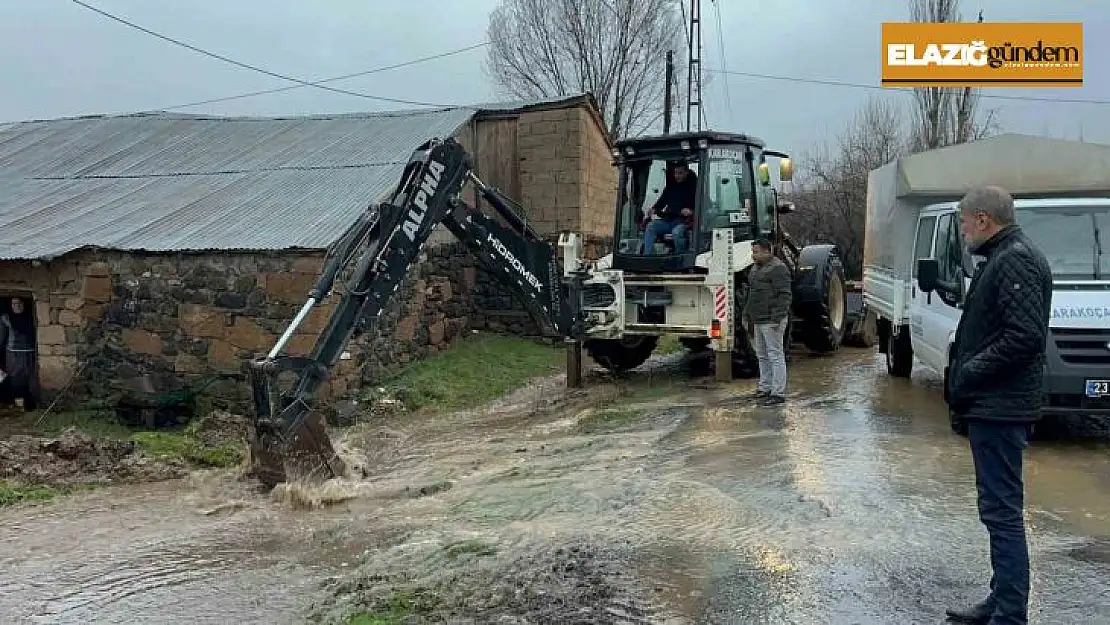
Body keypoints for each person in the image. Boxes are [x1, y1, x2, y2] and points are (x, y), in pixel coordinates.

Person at [944, 186, 1052, 625]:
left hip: (1001, 406)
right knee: (997, 509)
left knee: (1002, 513)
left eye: (965, 222)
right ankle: (1000, 599)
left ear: (984, 219)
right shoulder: (1006, 256)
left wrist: (969, 371)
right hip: (994, 403)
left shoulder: (1016, 260)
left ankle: (1010, 614)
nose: (964, 230)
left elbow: (1024, 338)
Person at [744, 238, 792, 406]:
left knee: (775, 355)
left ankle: (778, 392)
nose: (753, 255)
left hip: (771, 320)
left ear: (767, 251)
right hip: (758, 319)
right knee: (762, 355)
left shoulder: (778, 268)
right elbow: (752, 294)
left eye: (756, 252)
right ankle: (765, 388)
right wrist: (747, 315)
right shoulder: (756, 269)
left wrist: (777, 318)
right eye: (753, 252)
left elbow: (785, 295)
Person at [642, 161, 697, 254]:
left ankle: (681, 258)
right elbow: (660, 203)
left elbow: (703, 207)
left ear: (687, 172)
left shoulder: (695, 188)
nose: (677, 176)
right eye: (675, 173)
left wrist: (691, 212)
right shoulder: (670, 188)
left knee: (677, 232)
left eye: (680, 173)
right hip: (668, 220)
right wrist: (653, 209)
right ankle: (648, 256)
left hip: (684, 222)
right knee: (651, 226)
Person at [0, 297, 40, 411]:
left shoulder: (32, 318)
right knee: (16, 381)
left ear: (24, 304)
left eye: (19, 303)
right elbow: (1, 339)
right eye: (14, 304)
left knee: (31, 381)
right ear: (10, 306)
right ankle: (18, 407)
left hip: (30, 354)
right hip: (13, 355)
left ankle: (31, 407)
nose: (17, 306)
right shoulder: (6, 318)